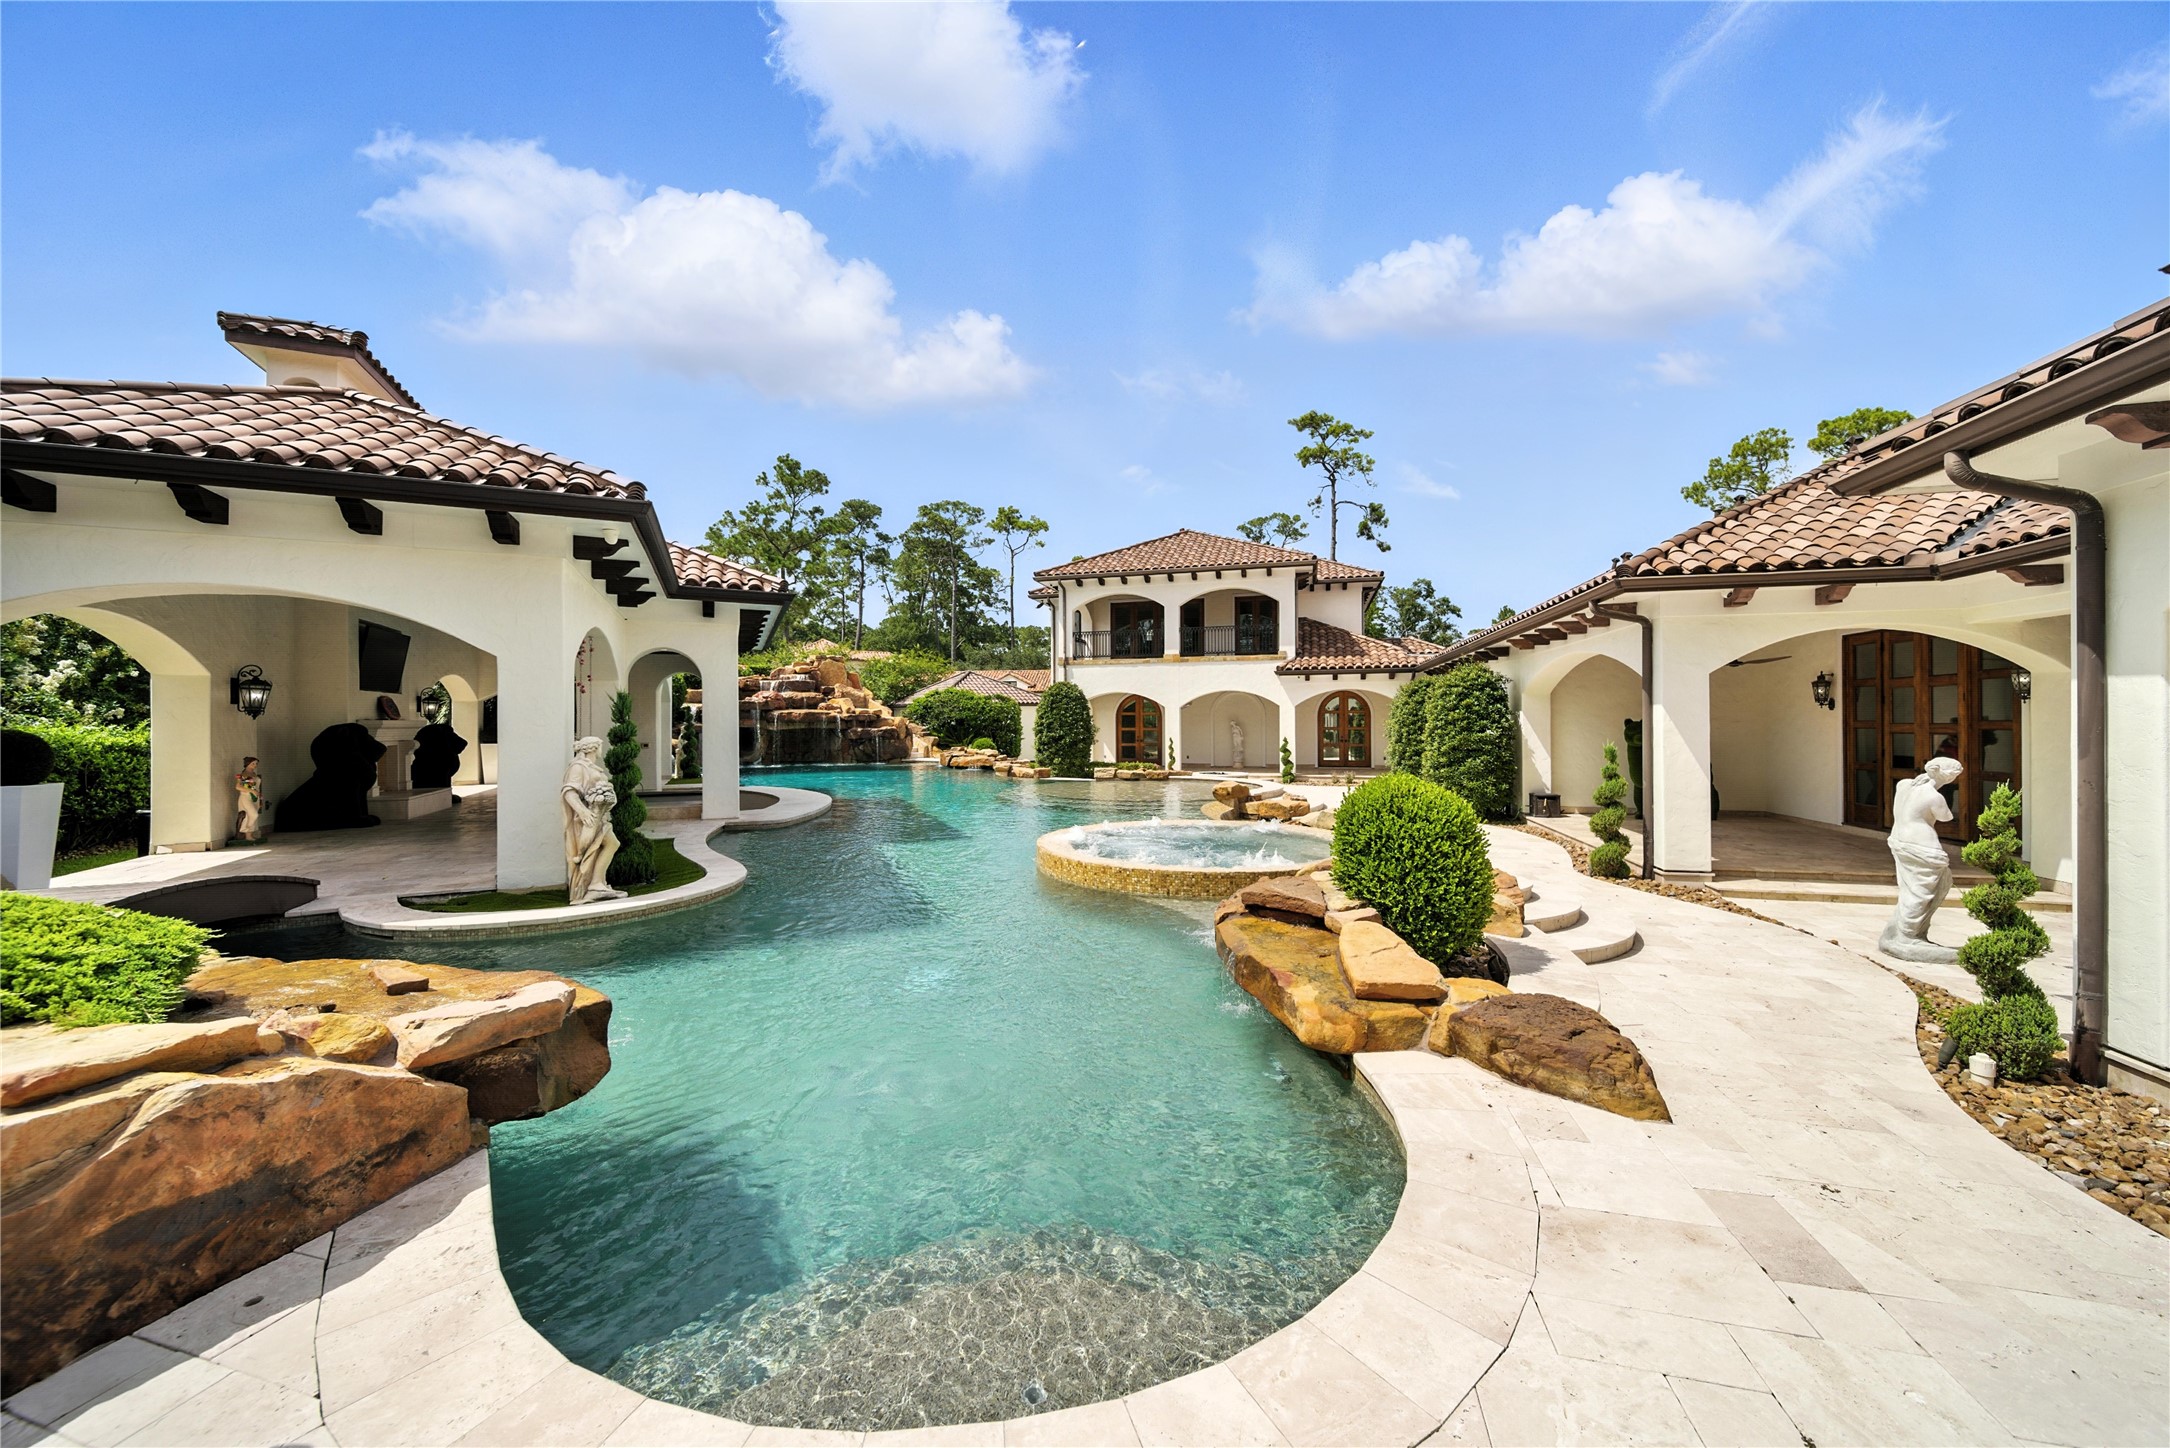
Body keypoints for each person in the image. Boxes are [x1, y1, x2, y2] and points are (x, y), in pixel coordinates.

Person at [1878, 756, 1965, 962]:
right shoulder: (1934, 797)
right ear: (1949, 775)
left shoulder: (1904, 784)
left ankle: (1904, 933)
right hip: (1923, 847)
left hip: (1900, 841)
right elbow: (1946, 817)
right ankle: (1908, 935)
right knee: (1922, 892)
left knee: (1913, 888)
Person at [562, 737, 625, 904]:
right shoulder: (578, 767)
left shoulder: (590, 767)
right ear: (593, 748)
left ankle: (597, 884)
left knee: (611, 844)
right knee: (610, 844)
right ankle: (595, 885)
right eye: (600, 746)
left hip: (599, 814)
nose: (601, 750)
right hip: (589, 817)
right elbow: (569, 792)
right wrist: (582, 812)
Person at [234, 757, 265, 842]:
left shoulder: (254, 774)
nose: (255, 765)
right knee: (253, 814)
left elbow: (258, 787)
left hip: (255, 798)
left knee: (250, 816)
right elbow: (238, 786)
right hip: (246, 797)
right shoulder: (242, 774)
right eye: (253, 763)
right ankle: (244, 830)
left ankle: (249, 835)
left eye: (256, 764)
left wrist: (260, 798)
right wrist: (251, 790)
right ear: (247, 764)